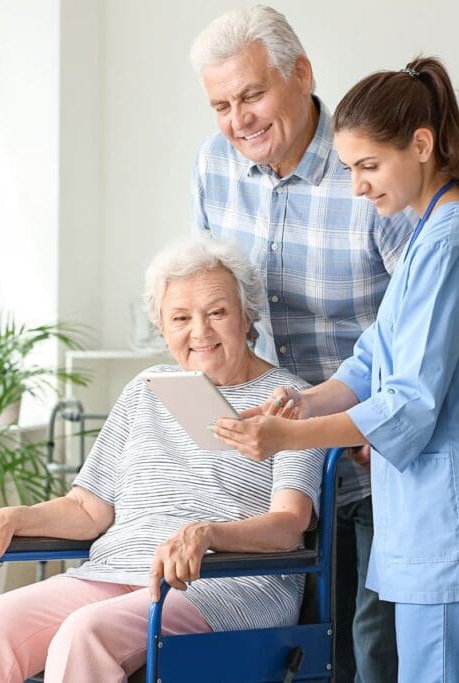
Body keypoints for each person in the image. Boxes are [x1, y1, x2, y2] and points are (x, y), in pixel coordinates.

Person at [212, 57, 459, 682]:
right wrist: (300, 404)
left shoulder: (450, 242)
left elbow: (408, 403)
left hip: (455, 531)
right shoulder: (435, 235)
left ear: (421, 146)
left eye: (369, 167)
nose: (360, 188)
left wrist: (286, 440)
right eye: (348, 170)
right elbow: (371, 362)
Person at [0, 237, 325, 682]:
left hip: (227, 582)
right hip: (116, 571)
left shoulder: (289, 400)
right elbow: (88, 510)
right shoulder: (147, 388)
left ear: (247, 315)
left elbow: (288, 525)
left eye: (217, 312)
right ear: (162, 328)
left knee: (85, 632)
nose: (199, 331)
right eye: (180, 318)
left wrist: (208, 535)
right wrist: (9, 517)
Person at [188, 6, 412, 680]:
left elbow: (420, 313)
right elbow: (209, 297)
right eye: (222, 104)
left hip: (369, 451)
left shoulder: (366, 169)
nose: (239, 120)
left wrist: (373, 413)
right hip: (272, 468)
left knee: (372, 652)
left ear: (302, 74)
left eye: (252, 94)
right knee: (292, 650)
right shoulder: (213, 166)